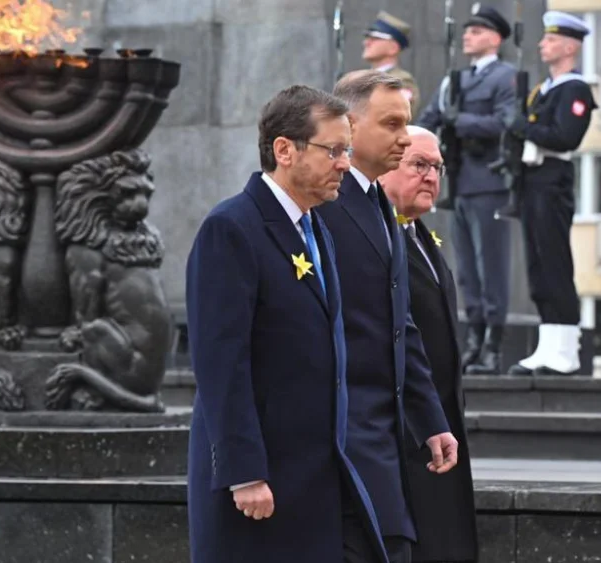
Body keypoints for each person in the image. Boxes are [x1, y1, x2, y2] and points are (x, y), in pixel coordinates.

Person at [185, 85, 388, 563]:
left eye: (348, 151)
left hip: (316, 476)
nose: (344, 163)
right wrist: (244, 472)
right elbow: (220, 363)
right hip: (259, 484)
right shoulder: (232, 228)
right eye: (334, 150)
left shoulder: (316, 229)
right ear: (284, 150)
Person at [321, 69, 459, 563]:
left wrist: (430, 419)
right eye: (393, 124)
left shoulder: (379, 202)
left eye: (407, 123)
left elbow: (401, 325)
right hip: (337, 440)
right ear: (351, 127)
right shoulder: (323, 204)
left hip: (381, 436)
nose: (404, 137)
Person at [379, 126, 478, 563]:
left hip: (441, 429)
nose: (431, 176)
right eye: (419, 164)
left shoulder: (422, 237)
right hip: (402, 435)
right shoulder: (378, 239)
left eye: (437, 167)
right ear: (386, 168)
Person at [416, 3, 517, 375]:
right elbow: (429, 120)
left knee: (491, 266)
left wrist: (463, 121)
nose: (467, 37)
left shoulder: (505, 77)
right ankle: (474, 339)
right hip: (458, 183)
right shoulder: (454, 81)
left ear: (494, 38)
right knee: (467, 271)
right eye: (467, 31)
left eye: (475, 32)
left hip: (489, 182)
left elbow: (507, 122)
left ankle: (493, 343)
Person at [504, 12, 597, 376]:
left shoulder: (575, 90)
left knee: (555, 262)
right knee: (538, 265)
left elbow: (565, 136)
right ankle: (548, 344)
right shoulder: (543, 89)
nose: (543, 44)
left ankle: (566, 349)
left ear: (570, 46)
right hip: (532, 179)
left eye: (552, 39)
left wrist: (525, 127)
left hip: (553, 177)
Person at [362, 10, 422, 117]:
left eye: (375, 38)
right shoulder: (361, 78)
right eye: (367, 38)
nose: (366, 42)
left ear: (393, 48)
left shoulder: (401, 80)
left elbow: (396, 117)